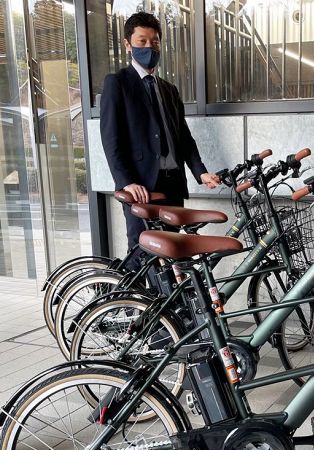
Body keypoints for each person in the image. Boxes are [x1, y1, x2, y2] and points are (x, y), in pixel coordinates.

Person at [100, 11, 219, 268]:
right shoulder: (117, 84)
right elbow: (111, 140)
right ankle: (131, 305)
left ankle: (163, 309)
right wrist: (126, 182)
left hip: (173, 185)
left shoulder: (169, 89)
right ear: (127, 44)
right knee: (142, 253)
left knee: (173, 253)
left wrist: (201, 172)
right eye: (142, 41)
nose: (149, 47)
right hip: (141, 187)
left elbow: (184, 138)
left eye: (154, 42)